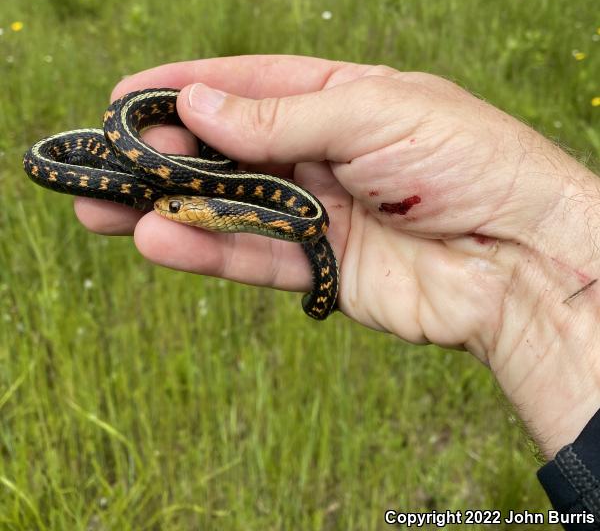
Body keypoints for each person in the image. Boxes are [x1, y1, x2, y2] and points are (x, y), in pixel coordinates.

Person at [75, 55, 600, 529]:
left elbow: (301, 221)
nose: (169, 208)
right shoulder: (282, 213)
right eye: (171, 205)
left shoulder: (287, 214)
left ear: (204, 210)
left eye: (173, 206)